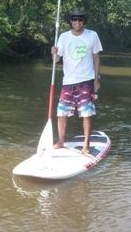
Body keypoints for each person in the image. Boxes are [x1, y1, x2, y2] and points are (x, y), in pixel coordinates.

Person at [51, 8, 103, 155]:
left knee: (86, 113)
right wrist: (53, 53)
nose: (77, 22)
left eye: (80, 19)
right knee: (61, 113)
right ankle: (60, 141)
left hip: (86, 80)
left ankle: (86, 145)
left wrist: (96, 79)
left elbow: (96, 58)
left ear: (84, 21)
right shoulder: (63, 37)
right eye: (74, 19)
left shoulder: (92, 35)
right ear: (70, 22)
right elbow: (56, 59)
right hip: (68, 81)